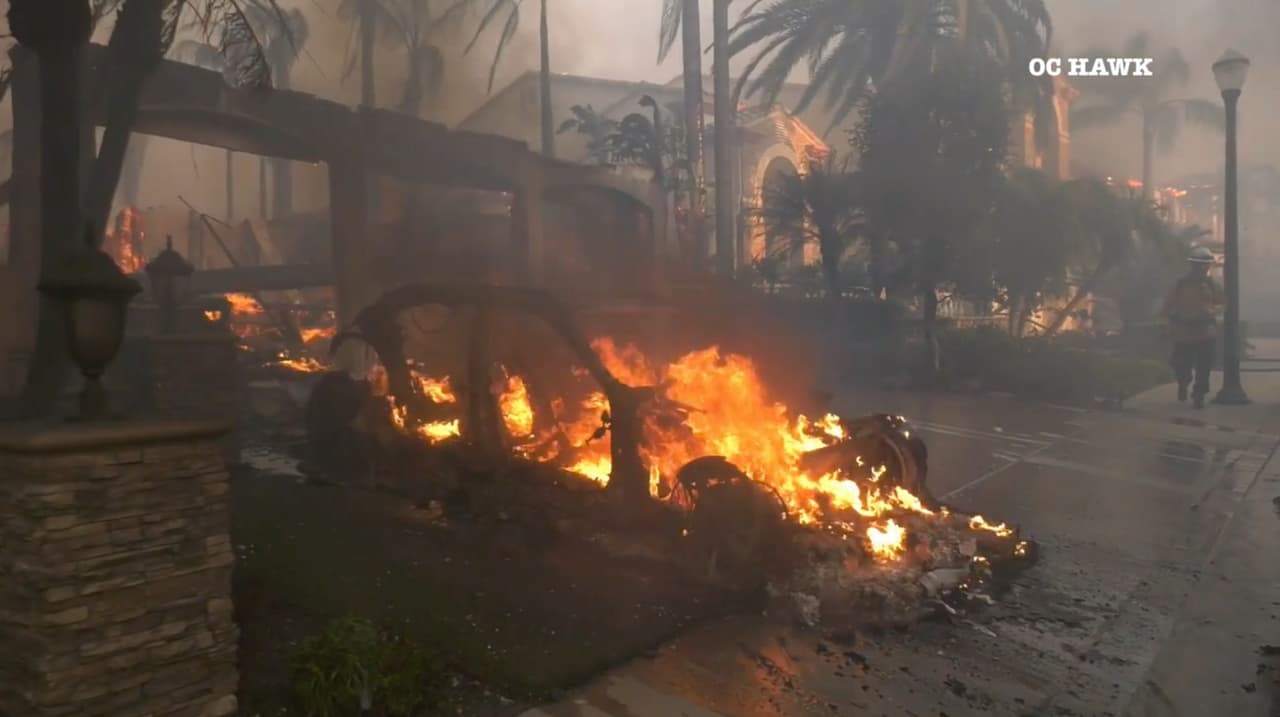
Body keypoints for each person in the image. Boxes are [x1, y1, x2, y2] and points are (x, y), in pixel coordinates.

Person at [1161, 247, 1224, 409]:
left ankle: (1199, 395)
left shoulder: (1212, 284)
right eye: (1198, 265)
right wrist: (1171, 319)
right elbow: (1168, 305)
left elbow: (1223, 304)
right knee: (1181, 364)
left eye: (1205, 265)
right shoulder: (1180, 284)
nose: (1202, 268)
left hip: (1205, 332)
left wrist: (1211, 312)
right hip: (1184, 331)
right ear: (1192, 265)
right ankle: (1183, 382)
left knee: (1204, 368)